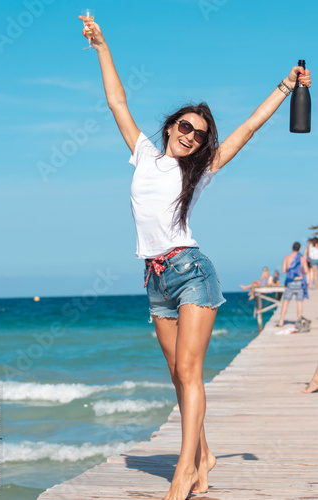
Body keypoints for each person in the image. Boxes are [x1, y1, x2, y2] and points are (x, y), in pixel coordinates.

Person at [79, 18, 311, 500]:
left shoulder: (199, 170)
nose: (190, 136)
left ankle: (184, 473)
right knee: (177, 377)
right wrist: (102, 46)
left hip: (192, 274)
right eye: (185, 127)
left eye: (199, 134)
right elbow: (117, 102)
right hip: (155, 280)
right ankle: (202, 456)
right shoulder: (144, 153)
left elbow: (247, 127)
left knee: (190, 372)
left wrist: (286, 86)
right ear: (170, 127)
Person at [276, 242, 309, 328]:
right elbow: (306, 271)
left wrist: (291, 270)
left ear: (292, 247)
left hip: (290, 282)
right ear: (299, 249)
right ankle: (298, 322)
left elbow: (283, 271)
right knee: (299, 302)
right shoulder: (301, 258)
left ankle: (281, 321)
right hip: (299, 282)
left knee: (286, 302)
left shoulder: (286, 258)